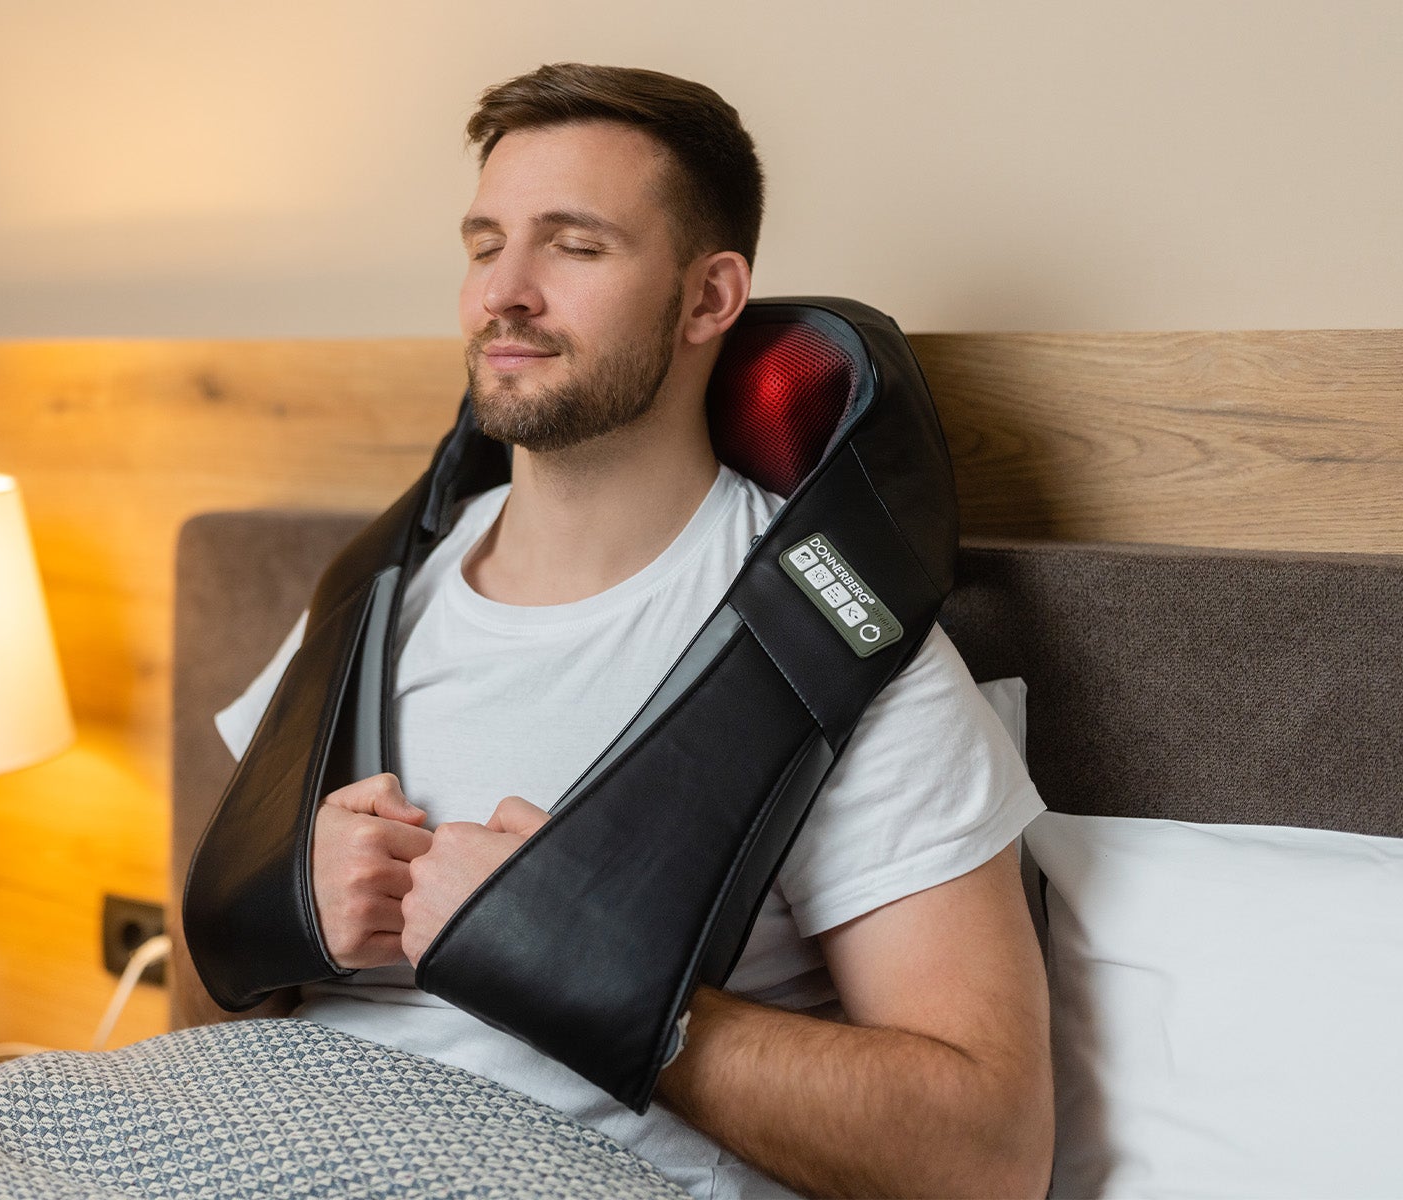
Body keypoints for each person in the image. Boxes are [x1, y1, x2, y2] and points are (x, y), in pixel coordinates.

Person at [212, 63, 1053, 1199]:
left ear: (709, 299)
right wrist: (281, 916)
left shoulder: (833, 655)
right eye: (483, 244)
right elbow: (200, 997)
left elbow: (990, 1157)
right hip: (232, 1133)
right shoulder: (369, 599)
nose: (503, 293)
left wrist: (606, 986)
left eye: (574, 246)